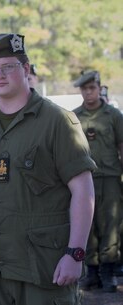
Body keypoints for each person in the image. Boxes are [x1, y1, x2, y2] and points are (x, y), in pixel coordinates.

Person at [0, 33, 96, 305]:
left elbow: (83, 190)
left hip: (44, 268)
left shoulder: (58, 121)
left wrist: (75, 253)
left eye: (7, 67)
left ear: (25, 69)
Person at [72, 70, 123, 293]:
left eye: (92, 88)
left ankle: (109, 271)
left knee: (111, 224)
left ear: (99, 88)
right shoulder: (74, 116)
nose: (88, 93)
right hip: (84, 179)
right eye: (84, 89)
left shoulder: (113, 115)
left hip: (110, 176)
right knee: (87, 225)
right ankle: (91, 271)